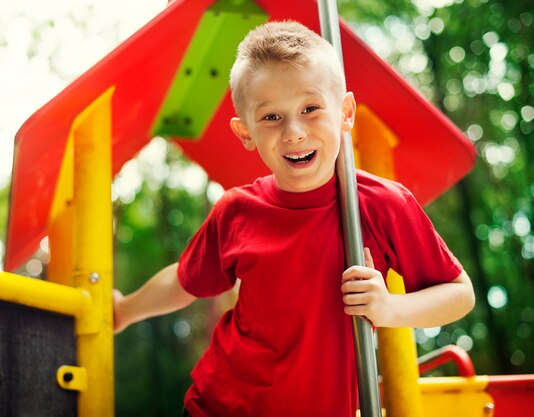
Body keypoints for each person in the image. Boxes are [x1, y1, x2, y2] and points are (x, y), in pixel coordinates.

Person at [113, 20, 475, 417]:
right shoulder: (237, 210)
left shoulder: (383, 206)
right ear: (245, 132)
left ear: (346, 113)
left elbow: (459, 293)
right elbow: (185, 278)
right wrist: (125, 310)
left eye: (311, 108)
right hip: (218, 406)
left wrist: (389, 308)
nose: (294, 132)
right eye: (271, 117)